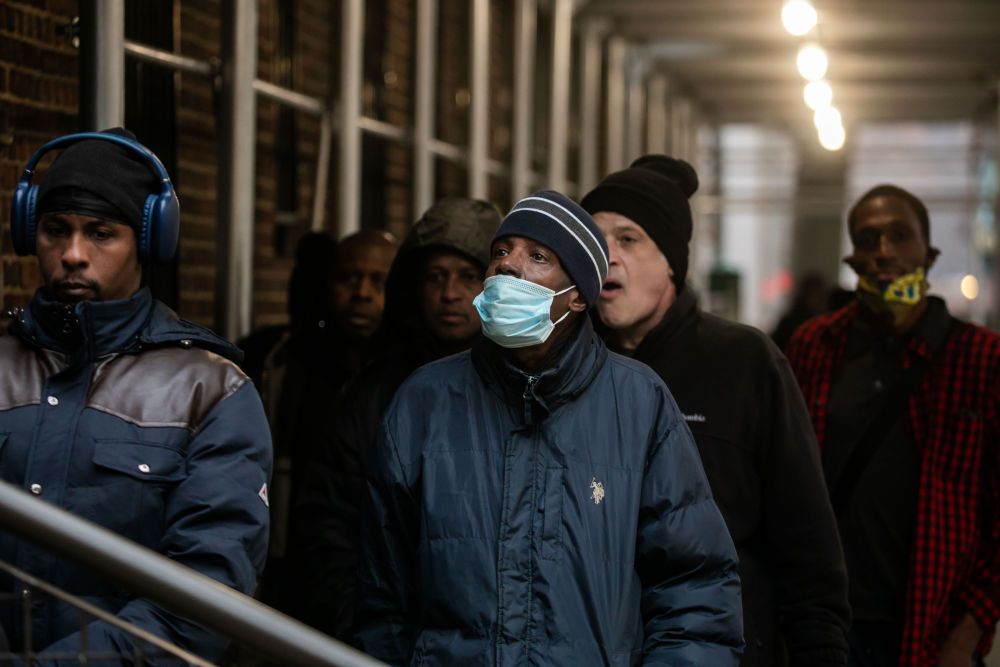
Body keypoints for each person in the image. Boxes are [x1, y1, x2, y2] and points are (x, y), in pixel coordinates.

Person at [354, 190, 744, 665]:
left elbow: (694, 588)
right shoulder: (425, 400)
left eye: (537, 256)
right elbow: (381, 592)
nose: (508, 265)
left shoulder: (640, 404)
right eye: (501, 251)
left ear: (577, 295)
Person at [0, 129, 272, 663]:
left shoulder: (211, 392)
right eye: (56, 230)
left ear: (147, 242)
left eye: (101, 234)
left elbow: (204, 597)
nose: (73, 254)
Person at [580, 154, 850, 667]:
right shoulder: (571, 370)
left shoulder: (744, 362)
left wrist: (820, 650)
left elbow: (806, 538)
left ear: (671, 261)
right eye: (595, 240)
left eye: (629, 239)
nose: (607, 256)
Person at [785, 184, 1000, 667]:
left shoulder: (982, 361)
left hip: (934, 632)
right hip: (828, 628)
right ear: (852, 259)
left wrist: (967, 634)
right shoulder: (814, 347)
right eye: (868, 239)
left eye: (900, 236)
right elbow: (786, 483)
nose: (884, 252)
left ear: (929, 253)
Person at [293, 196, 500, 639]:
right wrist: (366, 635)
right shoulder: (377, 395)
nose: (450, 293)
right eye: (435, 276)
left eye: (469, 276)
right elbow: (329, 526)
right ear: (413, 286)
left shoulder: (525, 388)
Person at [247, 228, 397, 620]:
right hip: (287, 579)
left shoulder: (409, 379)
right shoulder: (282, 367)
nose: (362, 292)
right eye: (349, 278)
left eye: (378, 281)